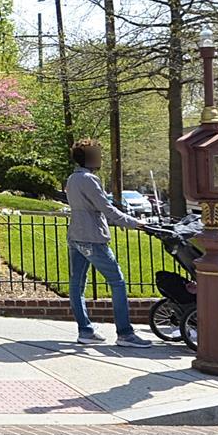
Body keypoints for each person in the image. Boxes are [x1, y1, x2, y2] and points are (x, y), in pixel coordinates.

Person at [63, 138, 152, 349]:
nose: (100, 158)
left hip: (76, 236)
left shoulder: (72, 179)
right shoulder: (89, 180)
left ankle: (85, 331)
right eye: (97, 154)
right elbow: (106, 208)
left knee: (77, 285)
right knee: (117, 282)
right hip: (92, 238)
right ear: (88, 158)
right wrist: (134, 222)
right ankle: (125, 333)